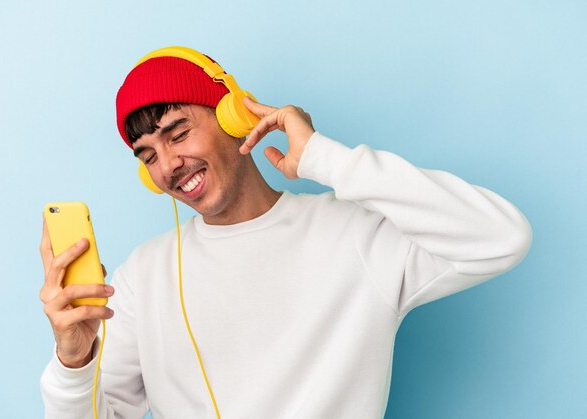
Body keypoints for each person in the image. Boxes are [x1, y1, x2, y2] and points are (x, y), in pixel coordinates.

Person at [39, 47, 532, 418]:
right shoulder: (141, 277)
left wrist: (324, 156)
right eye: (147, 155)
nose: (167, 165)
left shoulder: (355, 235)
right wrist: (74, 361)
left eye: (178, 132)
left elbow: (500, 237)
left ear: (235, 116)